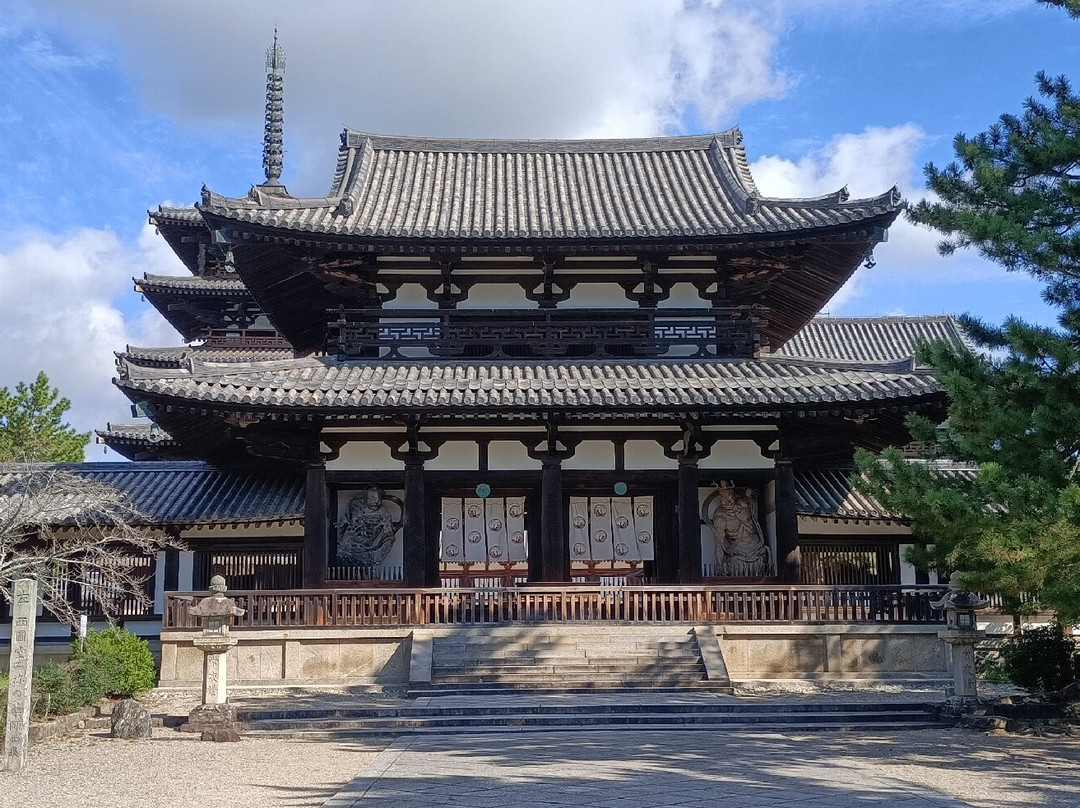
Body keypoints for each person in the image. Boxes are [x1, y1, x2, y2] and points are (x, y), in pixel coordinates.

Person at [709, 485, 769, 577]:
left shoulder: (743, 504)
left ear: (734, 495)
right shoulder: (720, 518)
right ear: (720, 498)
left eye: (730, 496)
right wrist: (720, 567)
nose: (727, 500)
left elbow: (754, 498)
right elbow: (719, 545)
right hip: (738, 553)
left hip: (757, 548)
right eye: (723, 497)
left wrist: (751, 494)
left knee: (759, 578)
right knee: (739, 578)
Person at [337, 486, 399, 568]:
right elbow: (346, 518)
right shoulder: (355, 506)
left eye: (378, 499)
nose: (375, 502)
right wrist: (344, 520)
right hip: (345, 550)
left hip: (364, 554)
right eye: (372, 499)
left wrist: (379, 560)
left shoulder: (384, 515)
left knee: (364, 577)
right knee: (340, 575)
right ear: (365, 498)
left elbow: (389, 538)